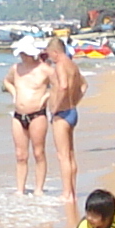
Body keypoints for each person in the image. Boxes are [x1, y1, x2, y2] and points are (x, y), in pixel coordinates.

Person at [4, 39, 54, 196]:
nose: (23, 56)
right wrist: (14, 94)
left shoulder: (45, 70)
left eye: (25, 53)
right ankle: (20, 189)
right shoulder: (16, 68)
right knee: (20, 155)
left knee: (38, 152)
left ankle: (39, 189)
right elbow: (7, 81)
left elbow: (60, 86)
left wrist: (45, 97)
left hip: (37, 114)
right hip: (18, 115)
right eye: (21, 54)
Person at [45, 29, 87, 200]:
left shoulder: (61, 65)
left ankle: (67, 192)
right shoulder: (73, 65)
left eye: (50, 55)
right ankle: (72, 190)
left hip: (62, 113)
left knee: (62, 155)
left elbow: (62, 86)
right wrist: (75, 101)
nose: (50, 59)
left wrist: (55, 107)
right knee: (70, 154)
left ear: (55, 52)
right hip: (72, 110)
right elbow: (84, 86)